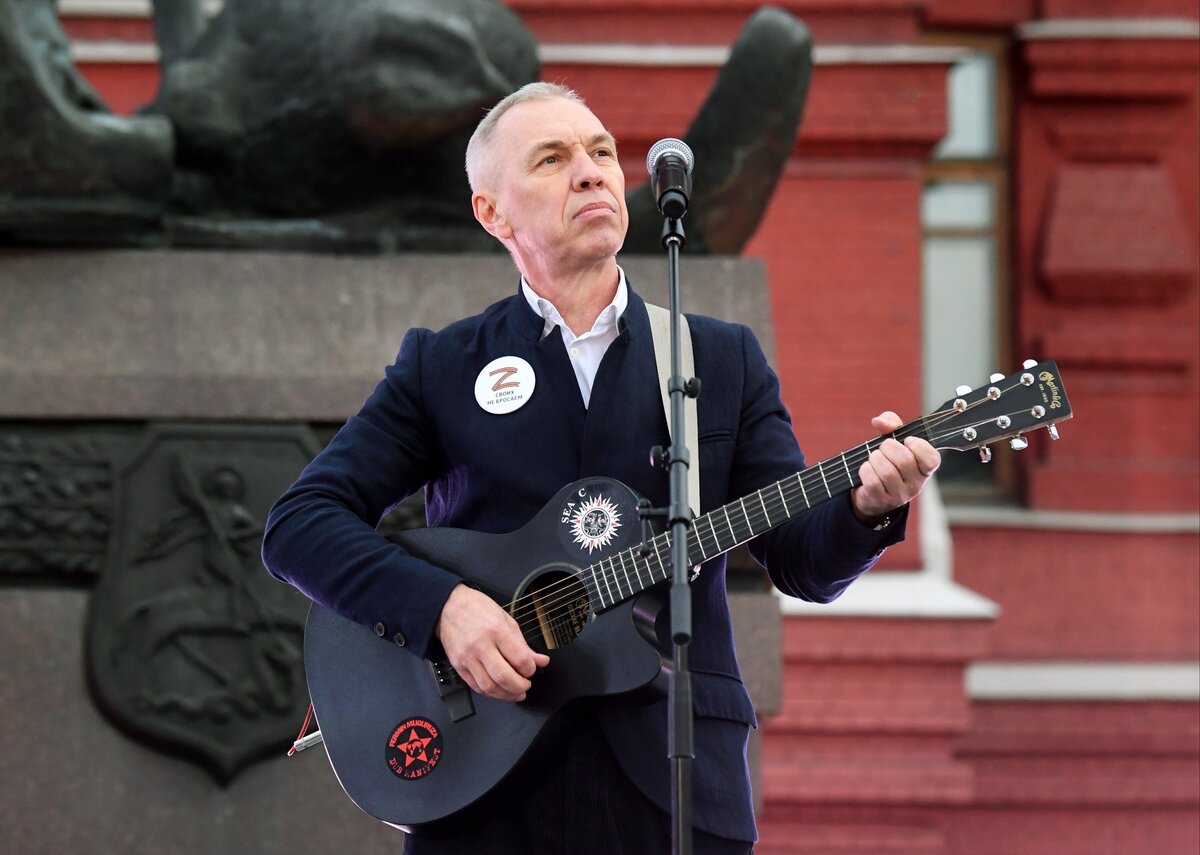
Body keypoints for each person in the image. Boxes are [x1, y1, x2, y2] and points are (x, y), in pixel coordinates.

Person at [262, 82, 940, 854]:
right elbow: (299, 524)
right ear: (493, 213)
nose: (590, 172)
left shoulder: (719, 359)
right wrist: (444, 609)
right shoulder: (443, 366)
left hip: (675, 785)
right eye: (552, 159)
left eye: (602, 152)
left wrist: (866, 509)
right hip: (486, 789)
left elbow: (802, 561)